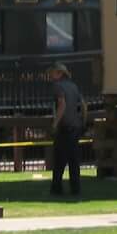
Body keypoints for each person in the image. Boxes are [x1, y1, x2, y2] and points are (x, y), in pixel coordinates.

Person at [48, 63, 84, 196]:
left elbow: (62, 105)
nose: (50, 76)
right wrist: (83, 121)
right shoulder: (74, 86)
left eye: (52, 73)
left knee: (59, 160)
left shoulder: (58, 86)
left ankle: (56, 189)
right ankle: (76, 189)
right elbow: (83, 105)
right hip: (75, 127)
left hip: (64, 127)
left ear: (59, 73)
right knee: (74, 160)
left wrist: (54, 124)